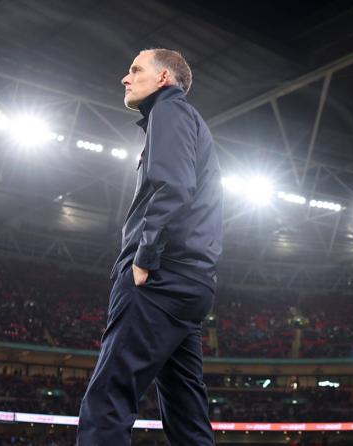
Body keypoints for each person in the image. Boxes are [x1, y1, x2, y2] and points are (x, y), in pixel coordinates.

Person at [76, 48, 223, 445]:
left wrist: (144, 256)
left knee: (108, 397)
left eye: (135, 69)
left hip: (160, 276)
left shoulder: (169, 111)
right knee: (186, 412)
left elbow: (173, 185)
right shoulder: (188, 120)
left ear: (163, 79)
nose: (126, 78)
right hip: (193, 284)